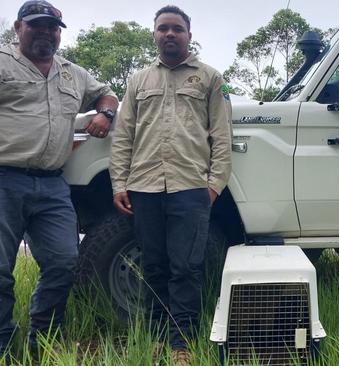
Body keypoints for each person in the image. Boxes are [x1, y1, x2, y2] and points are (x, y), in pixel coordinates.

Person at [109, 5, 232, 365]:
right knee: (154, 267)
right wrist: (120, 182)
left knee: (186, 268)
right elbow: (123, 136)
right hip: (144, 187)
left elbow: (222, 137)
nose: (169, 34)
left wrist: (214, 186)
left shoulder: (209, 78)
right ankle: (157, 338)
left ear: (189, 36)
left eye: (177, 28)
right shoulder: (138, 81)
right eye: (163, 28)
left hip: (191, 187)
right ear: (154, 34)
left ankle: (181, 344)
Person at [0, 0, 118, 359]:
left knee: (64, 262)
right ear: (19, 28)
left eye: (52, 28)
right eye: (36, 26)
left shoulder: (73, 73)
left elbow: (106, 93)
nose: (45, 33)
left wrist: (106, 114)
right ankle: (4, 343)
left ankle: (44, 339)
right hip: (5, 179)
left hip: (53, 184)